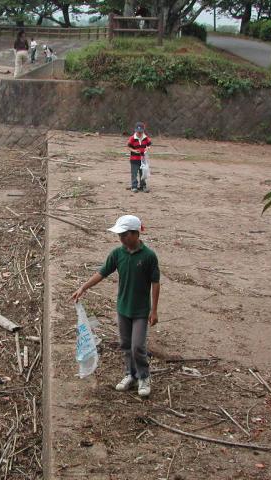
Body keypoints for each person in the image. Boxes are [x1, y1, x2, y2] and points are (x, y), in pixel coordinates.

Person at [72, 215, 160, 397]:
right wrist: (83, 287)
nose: (120, 238)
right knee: (126, 344)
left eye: (124, 234)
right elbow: (102, 272)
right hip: (123, 308)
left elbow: (155, 283)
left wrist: (154, 310)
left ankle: (144, 376)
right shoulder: (117, 254)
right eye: (119, 235)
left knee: (137, 346)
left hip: (141, 311)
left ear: (136, 234)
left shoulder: (149, 256)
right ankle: (130, 374)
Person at [127, 121, 152, 193]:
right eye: (138, 132)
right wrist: (134, 151)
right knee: (134, 173)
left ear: (143, 131)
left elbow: (149, 145)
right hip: (134, 159)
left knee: (143, 173)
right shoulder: (132, 138)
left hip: (143, 159)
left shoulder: (146, 138)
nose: (139, 134)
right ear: (135, 131)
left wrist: (148, 148)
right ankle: (134, 186)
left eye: (141, 132)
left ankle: (143, 186)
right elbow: (128, 147)